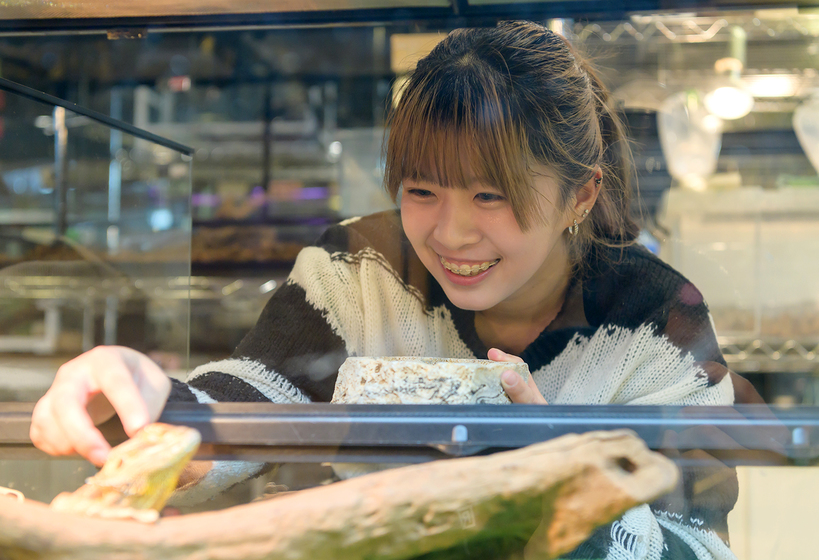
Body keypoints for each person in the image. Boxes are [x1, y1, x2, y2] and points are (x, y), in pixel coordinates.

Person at [31, 20, 762, 560]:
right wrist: (147, 402)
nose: (451, 234)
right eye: (421, 190)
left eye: (490, 196)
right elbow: (255, 400)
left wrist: (560, 474)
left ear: (581, 195)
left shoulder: (658, 323)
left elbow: (698, 548)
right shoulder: (358, 267)